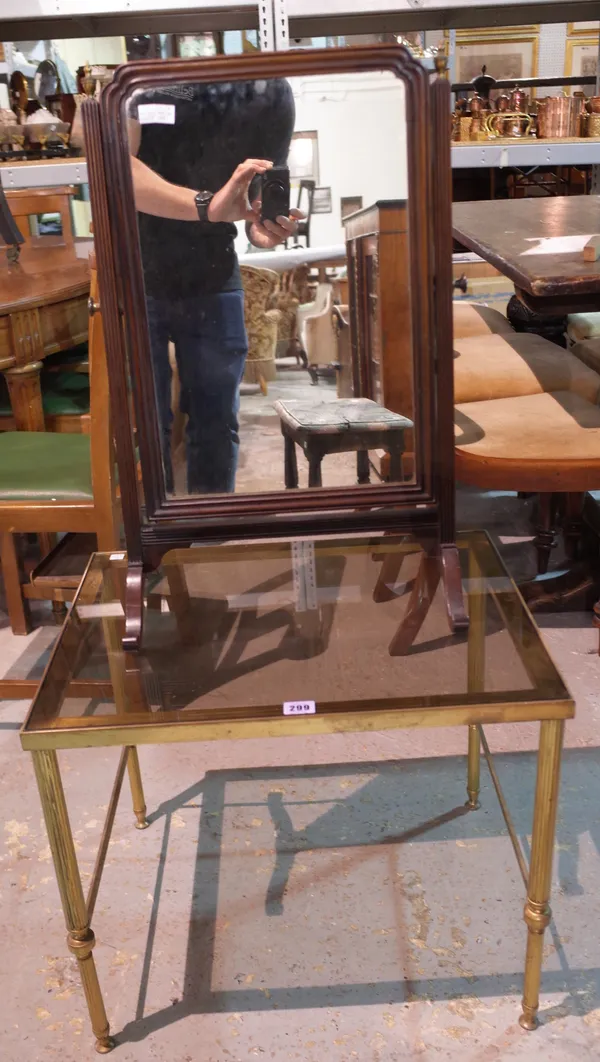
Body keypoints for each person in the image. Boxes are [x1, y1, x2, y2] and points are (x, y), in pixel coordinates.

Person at [127, 79, 298, 494]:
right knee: (145, 425)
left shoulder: (271, 92)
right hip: (134, 271)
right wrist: (207, 206)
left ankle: (209, 541)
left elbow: (258, 194)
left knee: (216, 420)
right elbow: (114, 167)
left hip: (213, 270)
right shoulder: (148, 82)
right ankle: (154, 534)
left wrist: (263, 227)